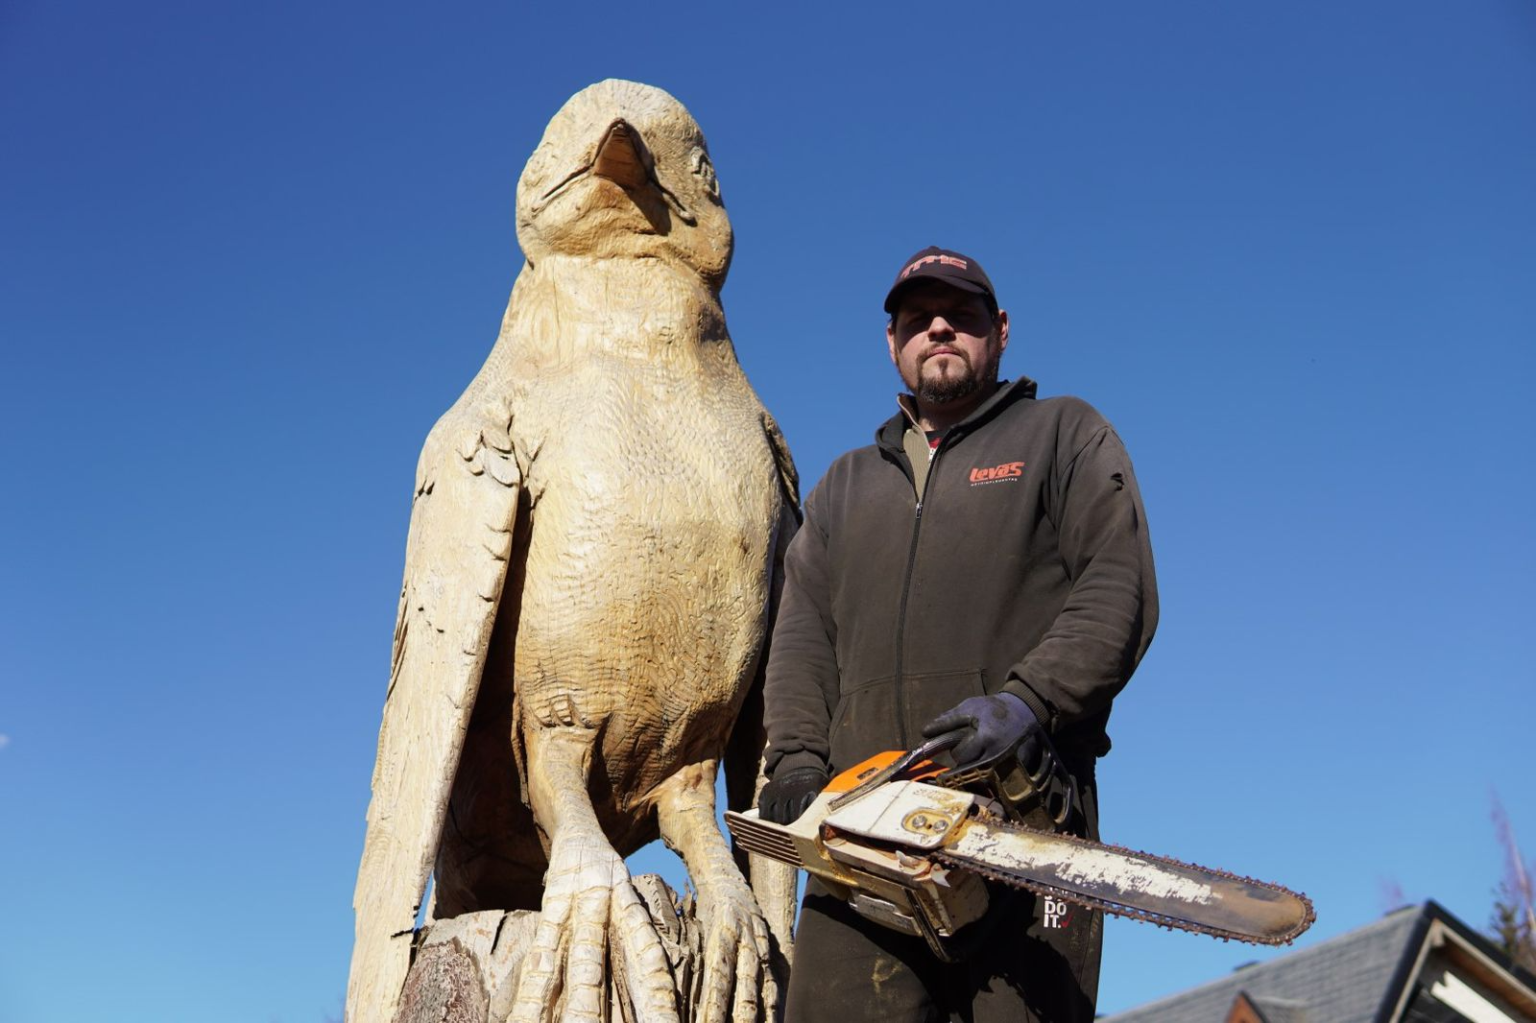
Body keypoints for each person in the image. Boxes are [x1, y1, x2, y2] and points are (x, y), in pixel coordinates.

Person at [758, 246, 1158, 1022]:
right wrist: (798, 761)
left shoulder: (1062, 435)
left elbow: (1119, 585)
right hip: (860, 840)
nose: (939, 326)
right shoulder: (844, 487)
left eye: (962, 313)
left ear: (999, 330)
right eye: (918, 317)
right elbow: (801, 637)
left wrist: (1027, 702)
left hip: (1023, 830)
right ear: (893, 343)